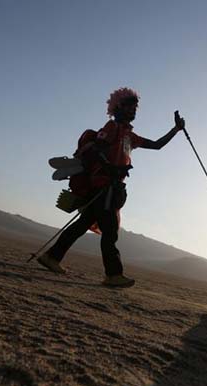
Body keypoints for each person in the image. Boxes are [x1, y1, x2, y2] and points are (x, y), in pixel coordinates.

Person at [37, 87, 186, 288]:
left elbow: (157, 145)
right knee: (110, 231)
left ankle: (52, 257)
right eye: (129, 107)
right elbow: (95, 150)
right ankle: (113, 274)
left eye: (135, 107)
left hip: (111, 187)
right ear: (118, 108)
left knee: (83, 224)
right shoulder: (112, 128)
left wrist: (175, 130)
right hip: (104, 186)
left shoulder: (130, 136)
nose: (133, 111)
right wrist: (111, 168)